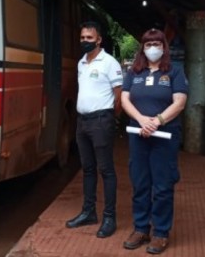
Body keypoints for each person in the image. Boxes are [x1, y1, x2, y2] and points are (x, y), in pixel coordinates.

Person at [120, 28, 188, 254]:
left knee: (162, 185)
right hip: (138, 136)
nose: (152, 49)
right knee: (140, 183)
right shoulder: (134, 71)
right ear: (142, 48)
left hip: (164, 138)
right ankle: (141, 228)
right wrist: (140, 120)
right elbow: (124, 98)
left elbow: (179, 102)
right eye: (148, 45)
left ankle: (160, 232)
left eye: (157, 44)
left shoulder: (174, 71)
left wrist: (157, 121)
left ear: (163, 47)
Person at [65, 21, 123, 238]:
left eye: (89, 38)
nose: (85, 41)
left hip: (101, 121)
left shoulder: (109, 63)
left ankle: (110, 217)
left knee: (106, 170)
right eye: (82, 38)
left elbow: (119, 96)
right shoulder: (81, 63)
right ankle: (88, 212)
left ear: (99, 40)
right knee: (87, 169)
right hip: (82, 122)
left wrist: (108, 119)